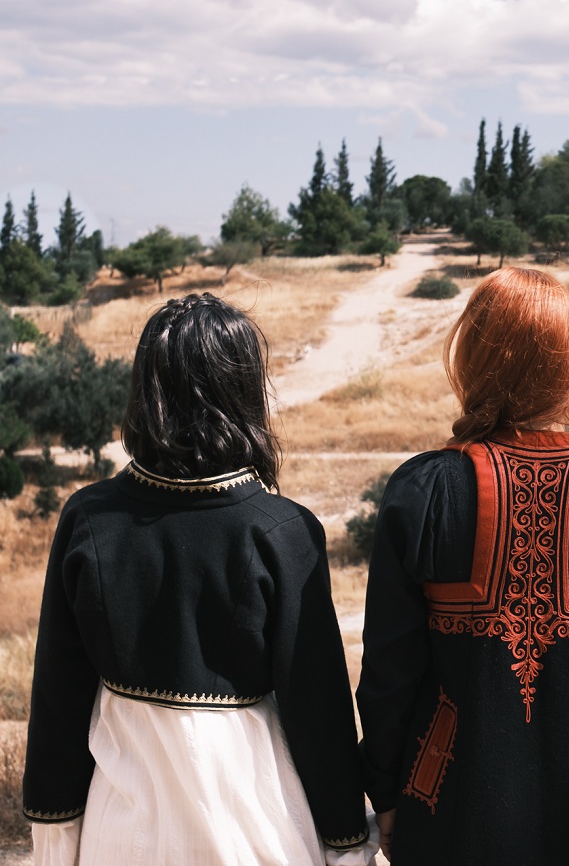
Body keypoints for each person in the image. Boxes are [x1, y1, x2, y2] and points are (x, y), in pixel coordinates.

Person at [356, 267, 569, 864]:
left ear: (474, 359)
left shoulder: (427, 493)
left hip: (450, 818)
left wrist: (386, 793)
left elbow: (389, 672)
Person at [22, 294, 374, 866]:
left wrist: (55, 842)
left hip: (120, 831)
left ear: (146, 391)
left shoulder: (88, 519)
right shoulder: (282, 529)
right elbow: (318, 712)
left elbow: (57, 704)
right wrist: (346, 843)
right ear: (243, 392)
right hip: (255, 825)